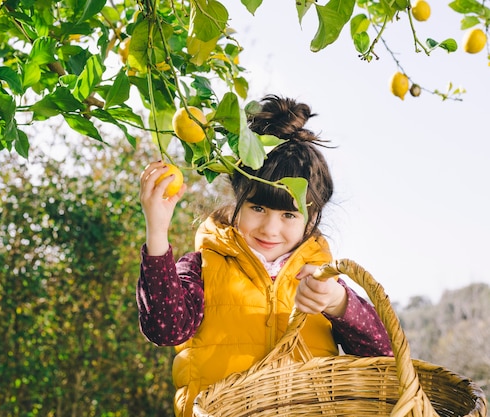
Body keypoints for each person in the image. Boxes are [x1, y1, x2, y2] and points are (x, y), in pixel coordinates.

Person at [136, 95, 393, 417]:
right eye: (258, 208)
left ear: (312, 220)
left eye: (288, 215)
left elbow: (384, 357)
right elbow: (165, 328)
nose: (270, 229)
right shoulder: (203, 265)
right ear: (237, 202)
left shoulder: (321, 280)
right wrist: (157, 233)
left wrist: (339, 303)